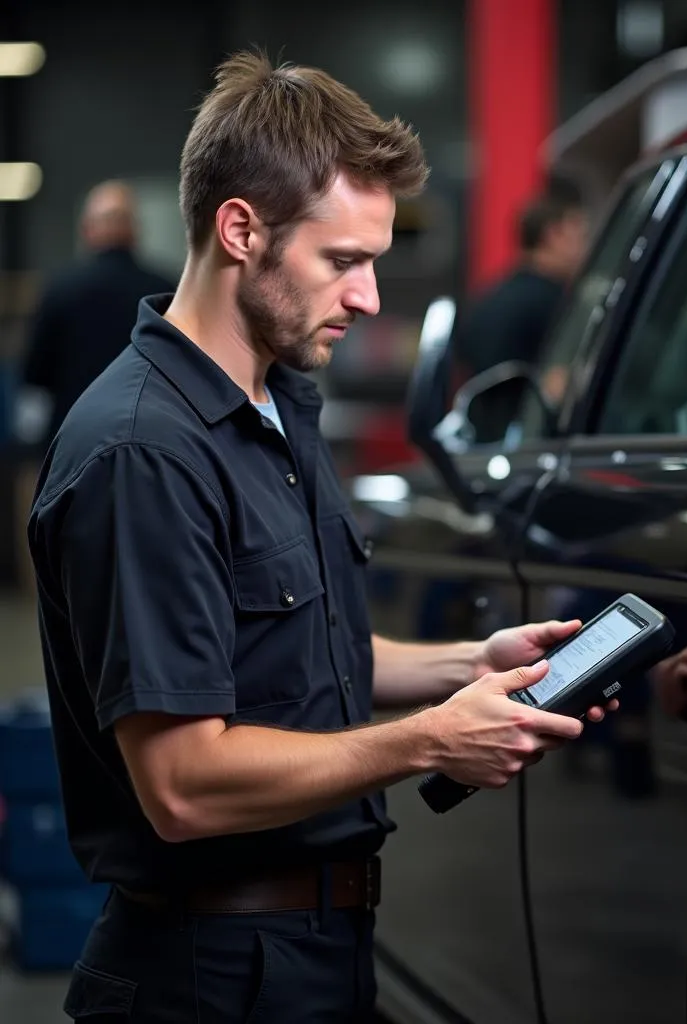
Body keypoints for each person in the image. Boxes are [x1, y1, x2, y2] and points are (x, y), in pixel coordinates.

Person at [27, 52, 614, 1023]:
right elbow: (181, 782)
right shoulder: (144, 454)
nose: (370, 296)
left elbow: (292, 645)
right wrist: (430, 740)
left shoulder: (276, 407)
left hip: (317, 957)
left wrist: (470, 664)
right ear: (240, 230)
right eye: (343, 260)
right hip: (207, 977)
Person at [20, 179, 176, 449]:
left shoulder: (60, 290)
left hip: (72, 440)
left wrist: (30, 442)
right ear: (134, 230)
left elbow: (36, 374)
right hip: (151, 440)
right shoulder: (165, 290)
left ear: (88, 230)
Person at [454, 179, 588, 443]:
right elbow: (558, 384)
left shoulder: (489, 297)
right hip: (531, 446)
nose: (586, 248)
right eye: (580, 236)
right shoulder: (557, 303)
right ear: (553, 235)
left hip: (482, 443)